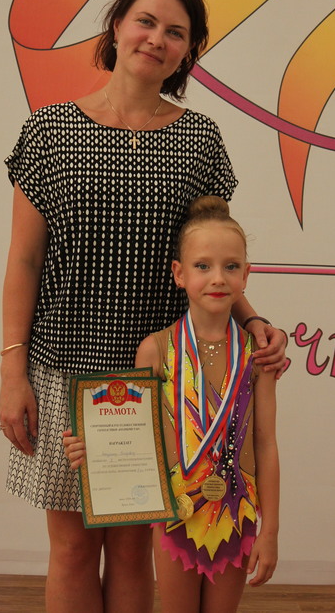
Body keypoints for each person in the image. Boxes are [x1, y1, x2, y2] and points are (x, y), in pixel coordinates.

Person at [0, 0, 286, 613]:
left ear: (188, 52)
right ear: (117, 26)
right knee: (72, 549)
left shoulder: (199, 140)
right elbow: (23, 260)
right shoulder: (49, 132)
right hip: (64, 371)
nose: (157, 39)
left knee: (134, 550)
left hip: (162, 380)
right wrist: (12, 372)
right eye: (146, 22)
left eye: (176, 32)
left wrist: (252, 320)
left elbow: (209, 255)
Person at [64, 196, 279, 613]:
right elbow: (133, 433)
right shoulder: (156, 349)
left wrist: (269, 530)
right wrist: (94, 448)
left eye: (231, 266)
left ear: (246, 274)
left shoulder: (258, 355)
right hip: (175, 515)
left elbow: (266, 444)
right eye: (203, 266)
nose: (217, 278)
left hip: (238, 514)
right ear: (179, 274)